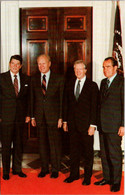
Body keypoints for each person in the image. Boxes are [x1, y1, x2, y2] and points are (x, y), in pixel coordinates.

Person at [63, 60, 99, 185]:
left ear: (85, 70)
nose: (78, 71)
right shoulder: (69, 84)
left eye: (80, 69)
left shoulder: (92, 85)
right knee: (74, 152)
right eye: (76, 69)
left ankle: (87, 177)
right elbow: (66, 104)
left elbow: (95, 107)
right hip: (72, 125)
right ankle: (74, 175)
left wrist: (93, 125)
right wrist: (65, 121)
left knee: (88, 153)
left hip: (87, 126)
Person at [31, 54, 64, 179]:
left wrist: (61, 117)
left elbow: (61, 99)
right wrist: (33, 117)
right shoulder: (34, 79)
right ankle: (44, 168)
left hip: (54, 117)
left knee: (54, 144)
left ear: (49, 63)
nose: (41, 66)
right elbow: (31, 99)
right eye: (39, 64)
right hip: (39, 117)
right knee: (42, 144)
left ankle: (55, 169)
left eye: (43, 63)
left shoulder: (59, 78)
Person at [94, 57, 124, 192]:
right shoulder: (103, 82)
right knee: (104, 154)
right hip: (103, 124)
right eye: (104, 67)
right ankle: (107, 178)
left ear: (115, 67)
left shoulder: (122, 82)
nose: (105, 70)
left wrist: (123, 125)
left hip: (115, 125)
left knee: (114, 154)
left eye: (108, 67)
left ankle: (116, 181)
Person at [0, 55, 30, 180]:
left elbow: (29, 99)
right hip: (5, 118)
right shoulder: (1, 78)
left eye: (18, 64)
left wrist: (28, 114)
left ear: (21, 66)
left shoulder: (26, 79)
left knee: (18, 145)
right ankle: (6, 171)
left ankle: (17, 169)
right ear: (9, 64)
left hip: (20, 118)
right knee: (6, 146)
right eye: (13, 63)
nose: (15, 66)